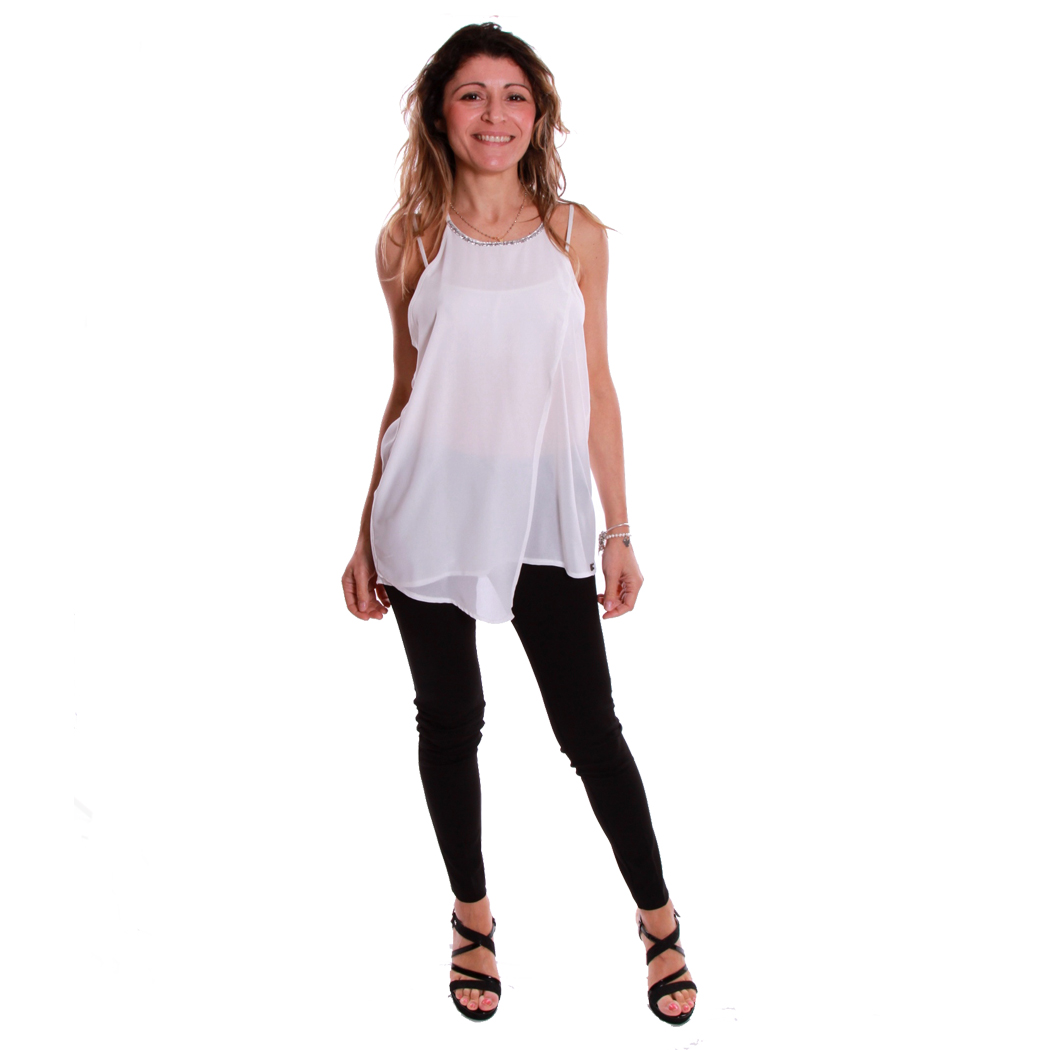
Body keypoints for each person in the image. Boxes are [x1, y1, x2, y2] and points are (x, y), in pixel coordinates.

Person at [341, 22, 696, 1026]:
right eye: (472, 94)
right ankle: (472, 916)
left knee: (591, 728)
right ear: (438, 113)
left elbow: (598, 388)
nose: (494, 115)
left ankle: (659, 917)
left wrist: (617, 530)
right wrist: (365, 530)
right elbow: (406, 393)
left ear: (537, 114)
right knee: (450, 721)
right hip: (430, 509)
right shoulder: (409, 240)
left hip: (542, 511)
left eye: (513, 96)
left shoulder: (574, 235)